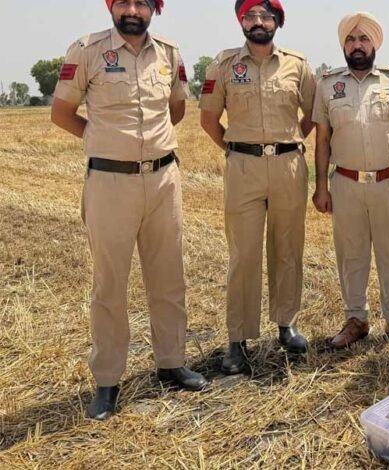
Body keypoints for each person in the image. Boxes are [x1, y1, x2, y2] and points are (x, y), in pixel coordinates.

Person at [51, 0, 207, 421]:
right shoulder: (87, 50)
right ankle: (107, 381)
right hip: (110, 182)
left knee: (169, 277)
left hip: (163, 180)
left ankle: (171, 363)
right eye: (124, 2)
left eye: (141, 2)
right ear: (112, 6)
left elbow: (176, 109)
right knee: (110, 284)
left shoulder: (169, 53)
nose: (132, 10)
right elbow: (61, 113)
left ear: (154, 9)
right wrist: (102, 140)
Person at [199, 0, 316, 374]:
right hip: (243, 168)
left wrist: (290, 141)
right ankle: (238, 338)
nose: (258, 22)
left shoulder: (298, 64)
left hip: (288, 166)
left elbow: (313, 113)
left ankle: (286, 323)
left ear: (277, 21)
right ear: (241, 21)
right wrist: (237, 149)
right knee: (244, 254)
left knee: (288, 248)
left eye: (266, 16)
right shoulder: (223, 65)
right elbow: (208, 119)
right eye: (250, 16)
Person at [312, 12, 389, 350]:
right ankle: (356, 319)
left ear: (374, 44)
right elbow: (322, 140)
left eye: (363, 39)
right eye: (350, 40)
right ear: (343, 46)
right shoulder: (328, 84)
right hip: (345, 184)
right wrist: (320, 186)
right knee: (351, 254)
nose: (357, 45)